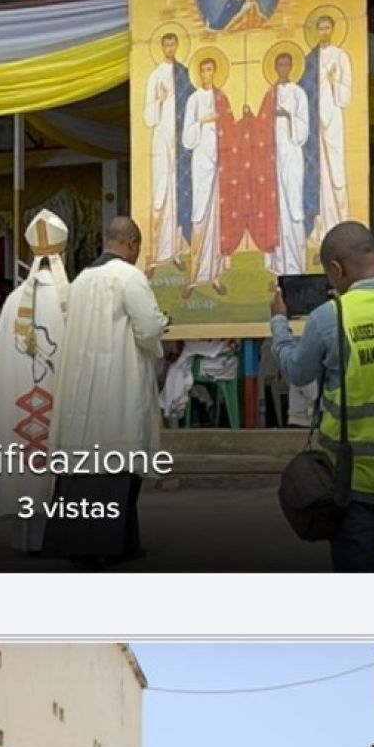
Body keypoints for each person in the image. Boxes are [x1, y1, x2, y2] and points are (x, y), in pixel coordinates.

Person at [269, 220, 374, 572]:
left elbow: (297, 372)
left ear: (336, 270)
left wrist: (279, 322)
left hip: (351, 482)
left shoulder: (330, 318)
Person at [50, 216, 170, 560]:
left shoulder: (80, 280)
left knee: (83, 464)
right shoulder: (130, 277)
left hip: (81, 387)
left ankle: (94, 543)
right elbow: (148, 329)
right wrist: (162, 324)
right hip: (118, 382)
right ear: (132, 244)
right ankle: (110, 545)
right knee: (118, 463)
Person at [0, 210, 70, 553]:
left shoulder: (14, 300)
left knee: (22, 453)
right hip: (56, 398)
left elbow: (1, 364)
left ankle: (23, 538)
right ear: (63, 253)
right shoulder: (70, 299)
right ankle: (56, 535)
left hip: (19, 403)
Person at [182, 51, 231, 297]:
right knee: (200, 215)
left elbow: (231, 128)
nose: (207, 74)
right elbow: (187, 138)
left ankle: (215, 275)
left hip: (220, 162)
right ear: (199, 73)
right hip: (201, 161)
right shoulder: (194, 100)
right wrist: (203, 120)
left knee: (218, 217)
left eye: (210, 69)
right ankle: (194, 277)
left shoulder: (221, 98)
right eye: (203, 70)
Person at [143, 32, 192, 270]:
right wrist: (160, 100)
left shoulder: (184, 74)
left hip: (180, 141)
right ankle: (155, 253)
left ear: (177, 46)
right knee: (161, 194)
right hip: (161, 139)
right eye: (166, 44)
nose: (170, 48)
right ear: (162, 47)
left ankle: (176, 251)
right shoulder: (154, 76)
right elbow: (148, 117)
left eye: (173, 44)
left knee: (178, 194)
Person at [266, 46, 311, 276]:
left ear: (292, 67)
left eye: (286, 64)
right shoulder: (270, 93)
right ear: (275, 67)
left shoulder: (298, 93)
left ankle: (295, 265)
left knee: (292, 205)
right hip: (273, 158)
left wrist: (287, 115)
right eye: (280, 64)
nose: (283, 68)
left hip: (292, 155)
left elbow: (303, 128)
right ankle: (278, 265)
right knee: (275, 206)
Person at [308, 14, 353, 235]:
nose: (324, 32)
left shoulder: (340, 56)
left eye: (327, 27)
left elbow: (345, 94)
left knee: (336, 169)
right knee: (319, 172)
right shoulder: (310, 59)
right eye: (321, 28)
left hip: (333, 116)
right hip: (315, 120)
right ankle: (322, 226)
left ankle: (342, 221)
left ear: (332, 29)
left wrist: (334, 81)